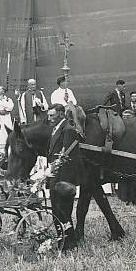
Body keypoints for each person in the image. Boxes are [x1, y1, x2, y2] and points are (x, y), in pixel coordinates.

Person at [44, 105, 83, 251]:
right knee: (57, 211)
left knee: (63, 211)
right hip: (55, 176)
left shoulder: (68, 129)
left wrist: (62, 181)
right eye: (48, 115)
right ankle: (64, 241)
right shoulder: (57, 128)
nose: (49, 118)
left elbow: (68, 156)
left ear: (61, 114)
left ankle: (69, 243)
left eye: (52, 115)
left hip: (63, 178)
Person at [0, 86, 15, 156]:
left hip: (6, 120)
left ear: (3, 91)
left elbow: (10, 107)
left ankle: (8, 150)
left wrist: (5, 109)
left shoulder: (8, 99)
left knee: (6, 133)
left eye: (0, 89)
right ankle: (0, 151)